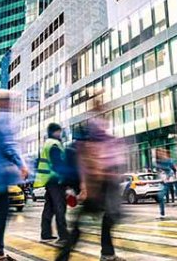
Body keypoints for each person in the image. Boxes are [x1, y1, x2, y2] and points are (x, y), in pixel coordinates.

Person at [56, 95, 125, 261]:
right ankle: (105, 254)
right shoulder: (94, 134)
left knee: (100, 220)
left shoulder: (98, 134)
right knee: (104, 219)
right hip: (100, 184)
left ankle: (106, 254)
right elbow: (87, 160)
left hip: (101, 183)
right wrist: (87, 186)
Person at [0, 89, 28, 261]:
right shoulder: (2, 120)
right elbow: (8, 146)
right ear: (1, 103)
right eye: (8, 101)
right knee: (2, 213)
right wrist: (21, 164)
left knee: (2, 213)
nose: (11, 104)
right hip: (1, 175)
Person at [34, 122, 69, 244]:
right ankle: (63, 236)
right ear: (54, 132)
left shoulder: (47, 144)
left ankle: (46, 234)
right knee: (60, 207)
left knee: (49, 207)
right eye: (59, 131)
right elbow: (58, 164)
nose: (60, 134)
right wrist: (65, 178)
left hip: (49, 180)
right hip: (56, 180)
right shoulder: (54, 145)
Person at [156, 148, 174, 218]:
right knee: (160, 196)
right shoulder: (158, 162)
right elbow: (158, 171)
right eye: (157, 153)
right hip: (162, 181)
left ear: (163, 153)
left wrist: (168, 177)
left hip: (168, 181)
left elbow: (173, 170)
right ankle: (162, 213)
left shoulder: (169, 161)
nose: (159, 154)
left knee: (160, 195)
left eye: (160, 153)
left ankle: (162, 214)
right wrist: (160, 176)